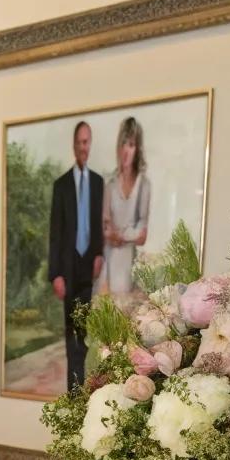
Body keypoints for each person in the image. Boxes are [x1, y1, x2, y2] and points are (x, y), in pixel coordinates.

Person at [48, 121, 104, 387]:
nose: (84, 147)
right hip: (68, 269)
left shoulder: (97, 182)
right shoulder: (61, 186)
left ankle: (86, 386)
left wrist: (99, 254)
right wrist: (55, 275)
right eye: (80, 142)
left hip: (88, 268)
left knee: (86, 331)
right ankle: (73, 388)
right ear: (74, 145)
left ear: (90, 145)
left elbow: (98, 223)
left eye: (87, 142)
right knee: (71, 331)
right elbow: (55, 232)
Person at [101, 116, 151, 297]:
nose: (125, 151)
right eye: (122, 144)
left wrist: (119, 234)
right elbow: (105, 229)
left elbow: (142, 236)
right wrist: (127, 232)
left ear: (137, 148)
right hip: (107, 262)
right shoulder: (110, 183)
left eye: (130, 145)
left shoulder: (143, 185)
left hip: (128, 263)